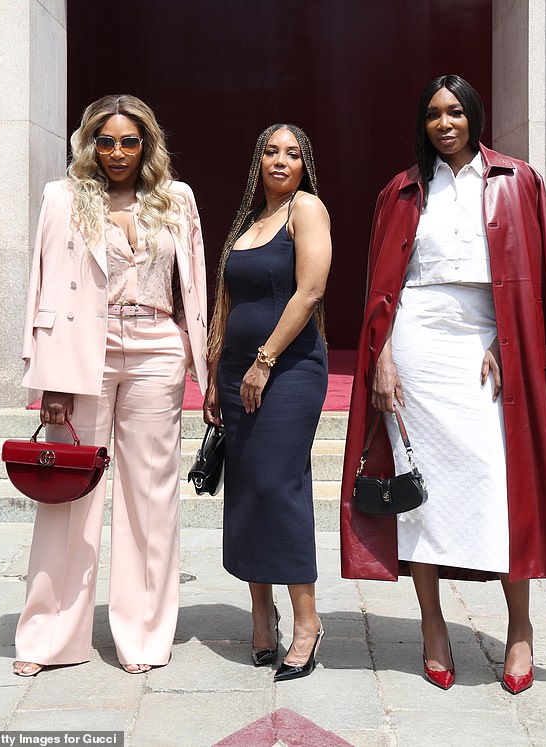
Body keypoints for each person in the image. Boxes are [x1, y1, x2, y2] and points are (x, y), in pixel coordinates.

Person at [340, 75, 546, 694]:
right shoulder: (400, 190)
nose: (444, 123)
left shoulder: (516, 180)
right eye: (432, 115)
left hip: (487, 344)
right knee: (420, 491)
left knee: (502, 490)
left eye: (454, 112)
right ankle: (432, 626)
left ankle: (520, 628)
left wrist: (521, 348)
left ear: (474, 115)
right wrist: (382, 356)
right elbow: (382, 285)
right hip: (418, 344)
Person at [13, 94, 207, 676]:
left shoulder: (177, 200)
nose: (117, 152)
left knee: (151, 497)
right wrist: (46, 374)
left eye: (129, 141)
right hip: (82, 357)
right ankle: (49, 637)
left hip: (156, 348)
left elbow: (192, 285)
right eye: (105, 141)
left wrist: (203, 359)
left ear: (147, 144)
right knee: (70, 494)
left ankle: (144, 636)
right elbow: (41, 284)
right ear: (88, 144)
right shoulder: (63, 197)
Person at [204, 124, 331, 681]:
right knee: (248, 487)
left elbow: (310, 290)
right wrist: (213, 378)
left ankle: (307, 622)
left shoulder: (307, 209)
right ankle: (262, 611)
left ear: (305, 163)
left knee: (280, 486)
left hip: (289, 369)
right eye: (272, 152)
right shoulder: (249, 224)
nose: (281, 161)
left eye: (293, 153)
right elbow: (225, 304)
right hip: (235, 373)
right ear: (258, 160)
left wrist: (265, 361)